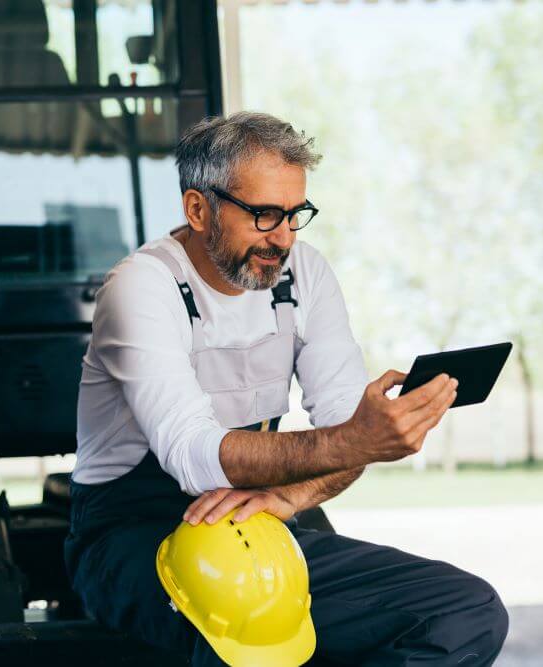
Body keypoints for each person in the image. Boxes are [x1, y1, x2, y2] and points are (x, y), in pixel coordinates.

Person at [64, 111, 509, 666]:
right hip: (133, 532)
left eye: (295, 215)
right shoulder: (141, 286)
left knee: (465, 612)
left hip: (257, 523)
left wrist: (292, 496)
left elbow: (345, 425)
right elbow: (194, 457)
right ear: (198, 209)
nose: (283, 237)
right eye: (264, 215)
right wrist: (356, 441)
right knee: (241, 605)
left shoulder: (305, 275)